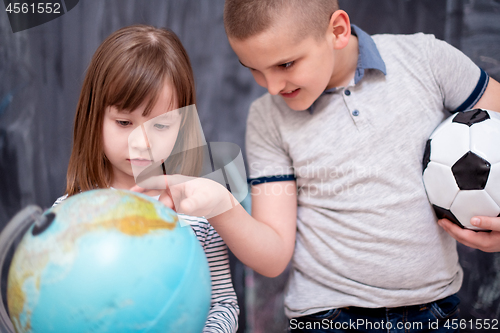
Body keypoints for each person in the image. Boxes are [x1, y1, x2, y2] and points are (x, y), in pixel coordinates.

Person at [135, 1, 500, 332]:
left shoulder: (426, 60)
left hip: (438, 309)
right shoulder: (267, 118)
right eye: (255, 70)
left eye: (286, 65)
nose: (273, 86)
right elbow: (274, 255)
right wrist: (220, 204)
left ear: (338, 30)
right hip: (327, 316)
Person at [53, 24, 239, 333]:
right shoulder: (66, 213)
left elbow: (222, 305)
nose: (142, 142)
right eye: (124, 122)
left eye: (161, 126)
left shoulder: (200, 212)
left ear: (183, 124)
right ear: (93, 116)